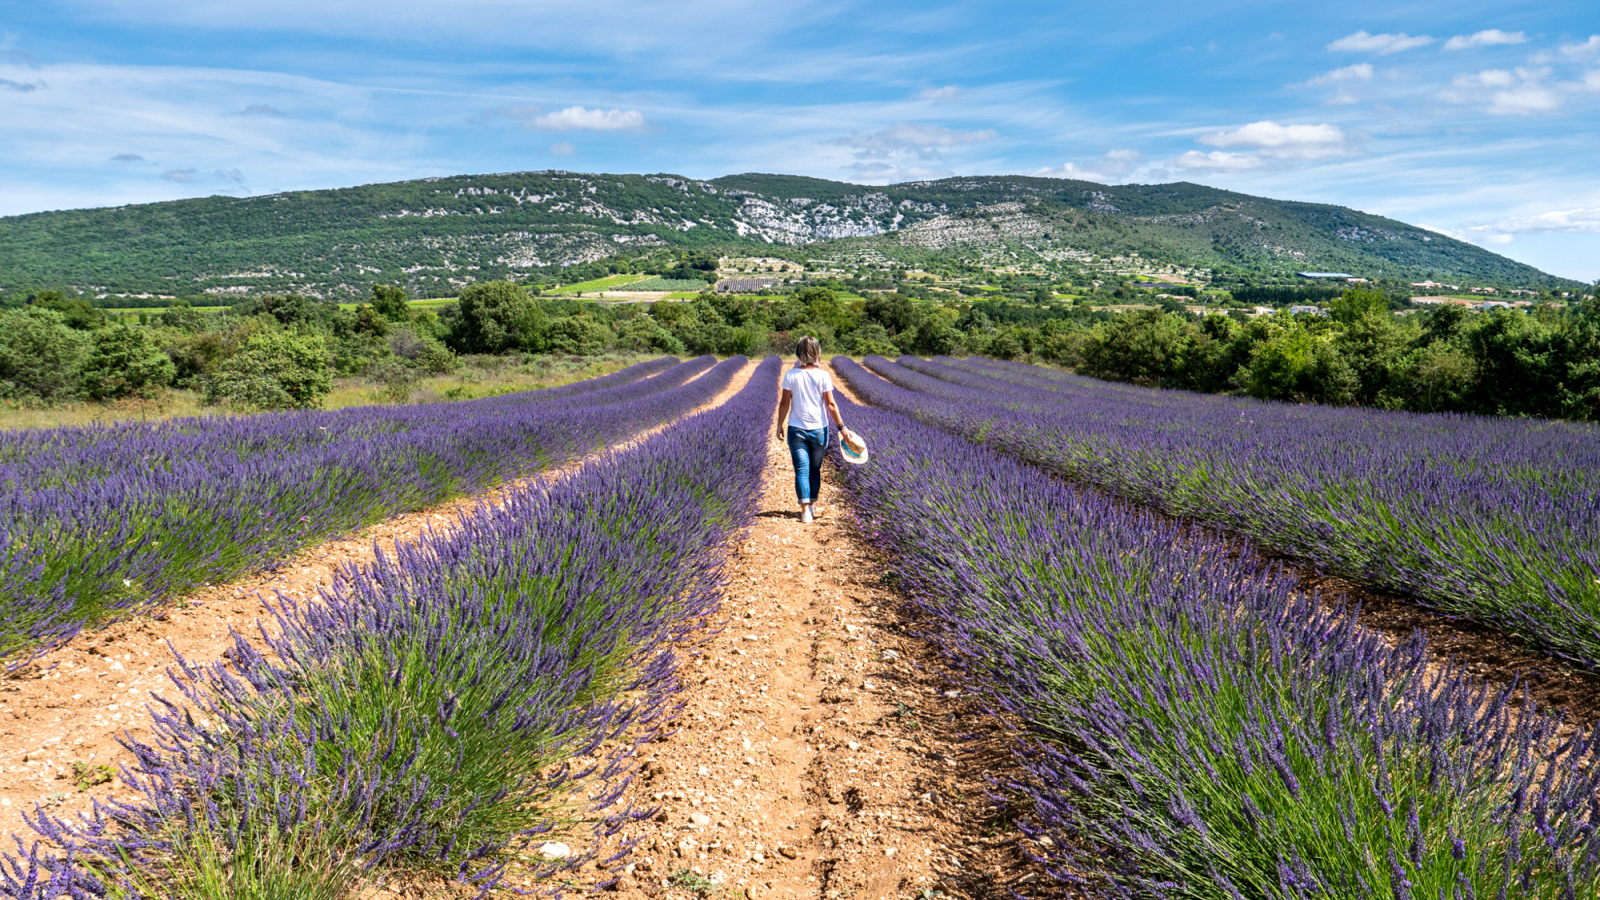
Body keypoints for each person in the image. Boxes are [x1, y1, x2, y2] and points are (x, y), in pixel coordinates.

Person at [777, 336, 844, 524]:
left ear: (799, 352)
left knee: (801, 469)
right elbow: (830, 404)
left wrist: (779, 425)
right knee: (815, 468)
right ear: (817, 353)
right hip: (819, 430)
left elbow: (784, 403)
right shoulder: (823, 375)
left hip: (796, 429)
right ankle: (812, 503)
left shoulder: (791, 375)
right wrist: (841, 427)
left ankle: (805, 510)